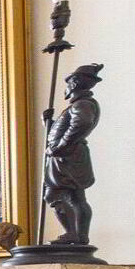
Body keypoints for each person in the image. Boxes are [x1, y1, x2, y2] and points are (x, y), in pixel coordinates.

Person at [43, 63, 103, 246]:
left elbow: (81, 124)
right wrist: (48, 123)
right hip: (67, 156)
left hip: (67, 157)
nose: (67, 86)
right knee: (74, 197)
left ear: (75, 83)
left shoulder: (82, 104)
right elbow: (65, 129)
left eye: (69, 82)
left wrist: (59, 146)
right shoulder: (79, 104)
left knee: (58, 196)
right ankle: (77, 236)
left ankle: (73, 234)